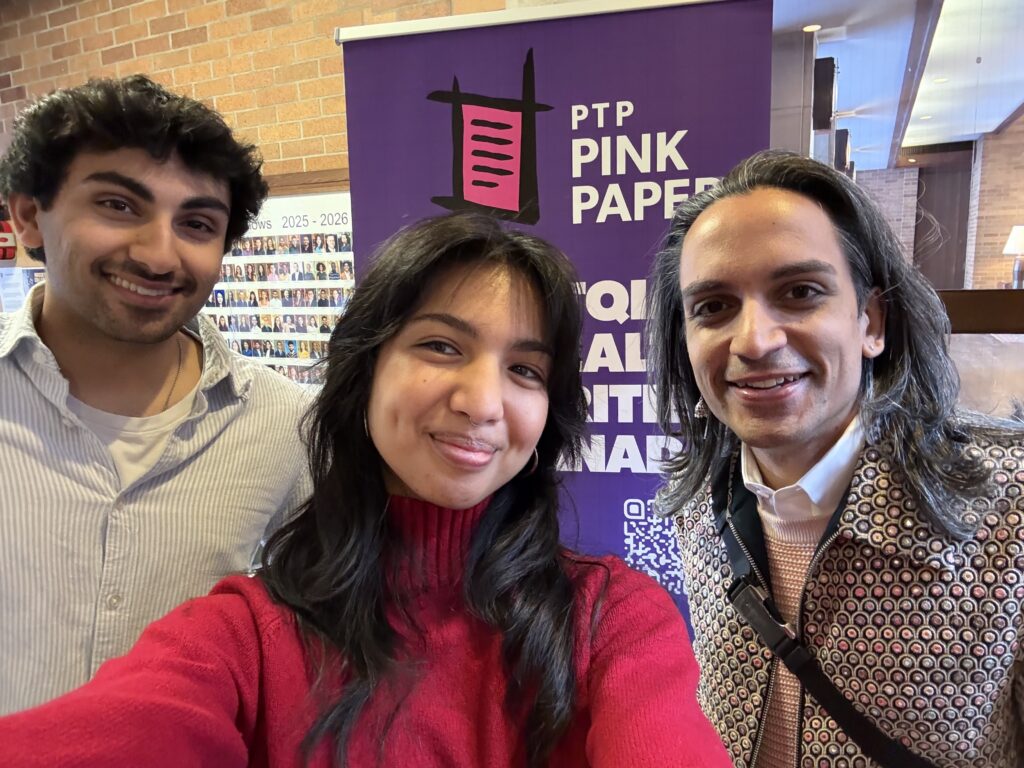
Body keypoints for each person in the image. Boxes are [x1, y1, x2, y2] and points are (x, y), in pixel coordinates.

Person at [0, 212, 729, 767]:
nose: (483, 401)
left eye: (525, 370)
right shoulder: (248, 637)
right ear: (364, 372)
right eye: (441, 346)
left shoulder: (613, 621)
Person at [647, 150, 1024, 768]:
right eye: (713, 306)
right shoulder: (698, 503)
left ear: (870, 321)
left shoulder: (1005, 501)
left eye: (799, 293)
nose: (754, 340)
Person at [0, 75, 312, 715]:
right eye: (118, 205)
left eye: (197, 223)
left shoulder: (286, 426)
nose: (158, 254)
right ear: (29, 215)